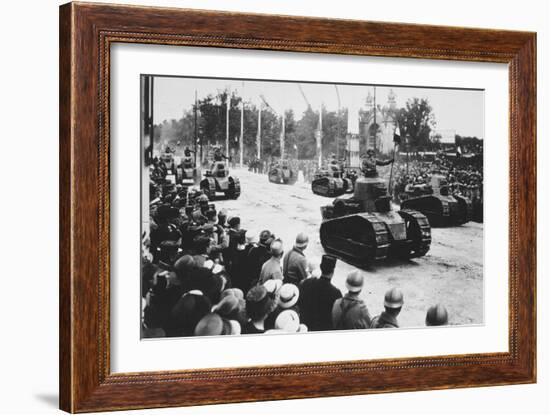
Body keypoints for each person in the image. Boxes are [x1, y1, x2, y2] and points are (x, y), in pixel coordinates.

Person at [299, 255, 342, 331]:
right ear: (333, 271)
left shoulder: (307, 283)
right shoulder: (336, 293)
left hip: (304, 326)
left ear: (321, 267)